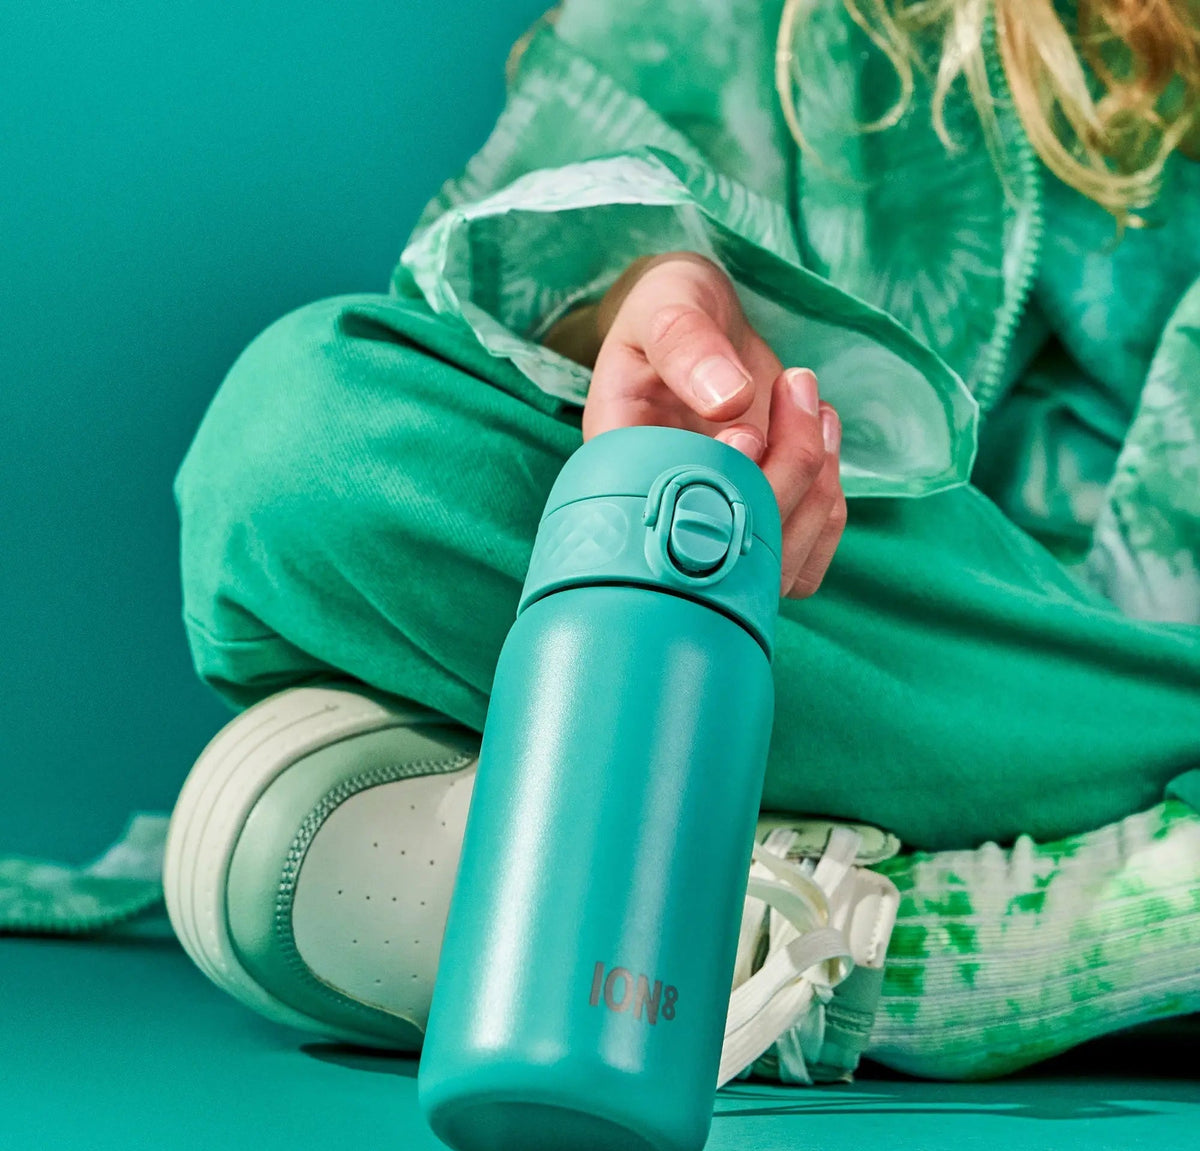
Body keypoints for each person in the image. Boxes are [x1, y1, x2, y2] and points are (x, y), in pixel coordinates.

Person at [166, 0, 1200, 1082]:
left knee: (292, 842)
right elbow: (575, 259)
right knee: (307, 436)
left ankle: (871, 944)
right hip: (861, 620)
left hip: (1112, 669)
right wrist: (652, 297)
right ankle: (1104, 913)